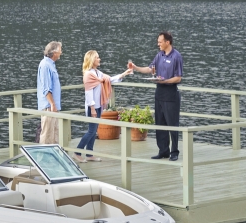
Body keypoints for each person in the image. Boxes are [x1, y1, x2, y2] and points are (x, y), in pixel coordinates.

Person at [129, 31, 183, 161]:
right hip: (159, 93)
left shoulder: (176, 56)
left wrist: (165, 81)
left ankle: (174, 152)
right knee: (160, 123)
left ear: (167, 42)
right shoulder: (159, 55)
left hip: (171, 94)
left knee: (172, 123)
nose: (158, 44)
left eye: (160, 42)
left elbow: (178, 78)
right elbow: (149, 69)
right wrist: (135, 67)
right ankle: (163, 150)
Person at [77, 50, 132, 161]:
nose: (99, 59)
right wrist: (92, 108)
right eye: (97, 57)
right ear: (92, 60)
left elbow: (109, 79)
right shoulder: (89, 74)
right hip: (91, 107)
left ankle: (89, 154)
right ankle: (78, 152)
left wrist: (124, 74)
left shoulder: (97, 73)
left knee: (94, 130)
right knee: (91, 131)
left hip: (98, 106)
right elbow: (88, 93)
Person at [37, 41, 63, 145]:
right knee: (47, 135)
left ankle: (53, 158)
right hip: (49, 106)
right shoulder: (45, 65)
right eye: (60, 50)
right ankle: (43, 159)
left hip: (53, 106)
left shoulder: (51, 64)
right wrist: (52, 104)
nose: (61, 52)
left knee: (55, 135)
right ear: (54, 52)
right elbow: (46, 88)